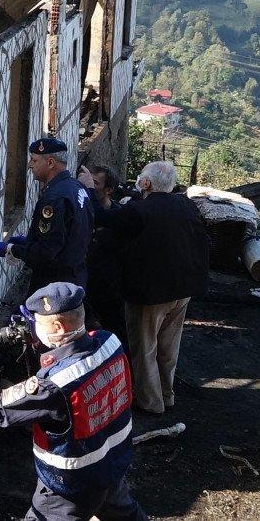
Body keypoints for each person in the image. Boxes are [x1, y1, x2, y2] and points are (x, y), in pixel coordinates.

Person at [0, 282, 147, 521]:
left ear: (57, 326)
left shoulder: (55, 384)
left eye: (37, 322)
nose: (33, 328)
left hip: (71, 487)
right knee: (125, 515)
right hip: (112, 464)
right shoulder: (110, 343)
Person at [80, 161, 209, 416]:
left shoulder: (140, 211)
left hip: (150, 293)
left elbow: (105, 218)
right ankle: (166, 394)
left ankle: (149, 403)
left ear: (147, 183)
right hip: (182, 290)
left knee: (144, 346)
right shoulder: (185, 204)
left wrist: (87, 189)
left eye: (141, 178)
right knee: (168, 346)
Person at [0, 137, 94, 291]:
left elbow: (46, 252)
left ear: (50, 163)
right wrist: (31, 240)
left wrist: (11, 249)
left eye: (34, 161)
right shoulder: (77, 187)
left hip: (55, 287)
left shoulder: (54, 199)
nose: (29, 165)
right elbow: (67, 235)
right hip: (75, 278)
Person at [84, 165, 128, 343]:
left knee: (115, 333)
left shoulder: (119, 216)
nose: (89, 187)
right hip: (84, 284)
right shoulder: (82, 211)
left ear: (109, 190)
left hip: (109, 289)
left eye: (94, 183)